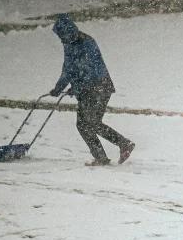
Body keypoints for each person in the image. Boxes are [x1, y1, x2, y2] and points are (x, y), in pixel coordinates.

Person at [48, 14, 135, 166]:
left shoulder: (86, 43)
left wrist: (76, 87)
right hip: (90, 90)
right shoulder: (70, 43)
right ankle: (116, 148)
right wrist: (58, 87)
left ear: (69, 31)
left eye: (62, 35)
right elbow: (68, 69)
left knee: (87, 124)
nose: (61, 39)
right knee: (89, 124)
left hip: (99, 87)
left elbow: (89, 70)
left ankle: (116, 149)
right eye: (59, 36)